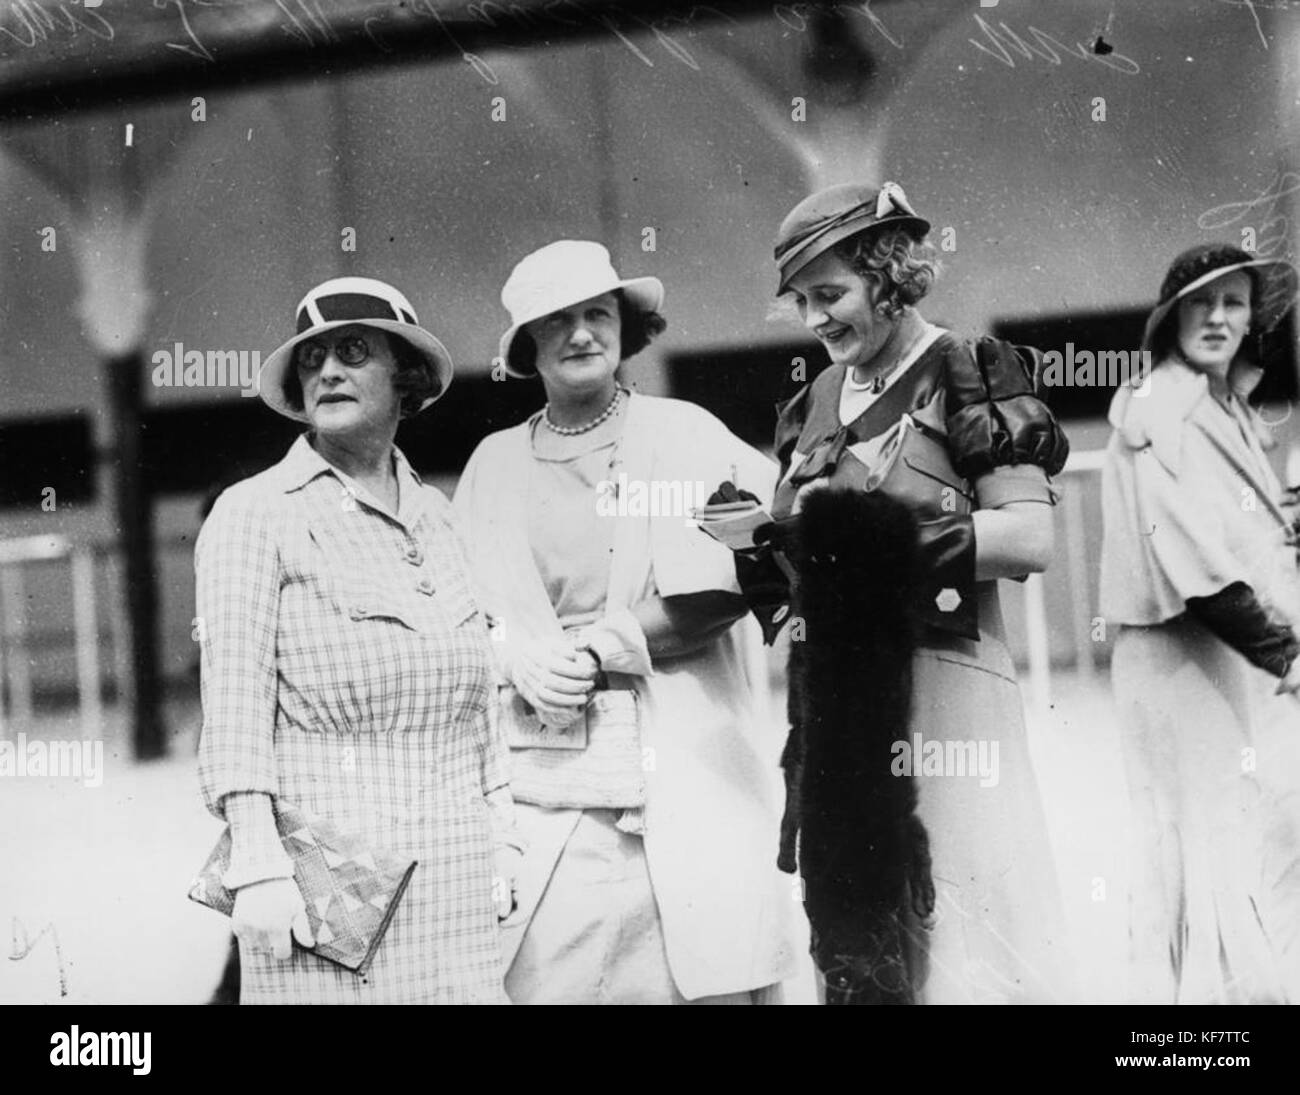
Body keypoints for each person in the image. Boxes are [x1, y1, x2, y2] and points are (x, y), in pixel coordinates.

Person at [732, 181, 1075, 1003]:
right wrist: (764, 546)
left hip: (946, 687)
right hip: (838, 698)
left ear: (891, 276)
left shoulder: (970, 367)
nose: (816, 318)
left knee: (961, 928)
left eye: (833, 294)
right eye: (802, 300)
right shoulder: (811, 403)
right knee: (863, 946)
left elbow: (1028, 534)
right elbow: (814, 561)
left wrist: (863, 542)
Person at [454, 240, 795, 1004]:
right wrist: (519, 657)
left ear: (624, 326)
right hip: (545, 783)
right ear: (526, 346)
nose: (581, 334)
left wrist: (605, 644)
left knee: (702, 966)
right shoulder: (491, 463)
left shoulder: (685, 434)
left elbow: (745, 573)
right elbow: (463, 612)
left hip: (682, 764)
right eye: (558, 320)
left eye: (597, 314)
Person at [196, 276, 517, 1004]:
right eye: (311, 361)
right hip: (328, 894)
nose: (327, 372)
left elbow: (482, 708)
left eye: (351, 352)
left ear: (405, 377)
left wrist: (508, 839)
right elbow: (235, 706)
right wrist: (256, 862)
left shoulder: (441, 517)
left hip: (459, 880)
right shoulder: (255, 514)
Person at [1100, 243, 1300, 1003]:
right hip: (1179, 660)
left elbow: (1247, 534)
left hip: (1226, 660)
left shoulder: (1229, 405)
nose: (1218, 318)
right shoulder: (1158, 405)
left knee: (1239, 854)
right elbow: (1196, 565)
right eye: (1200, 303)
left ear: (1253, 318)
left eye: (1235, 303)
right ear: (1170, 318)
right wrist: (1286, 655)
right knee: (1200, 864)